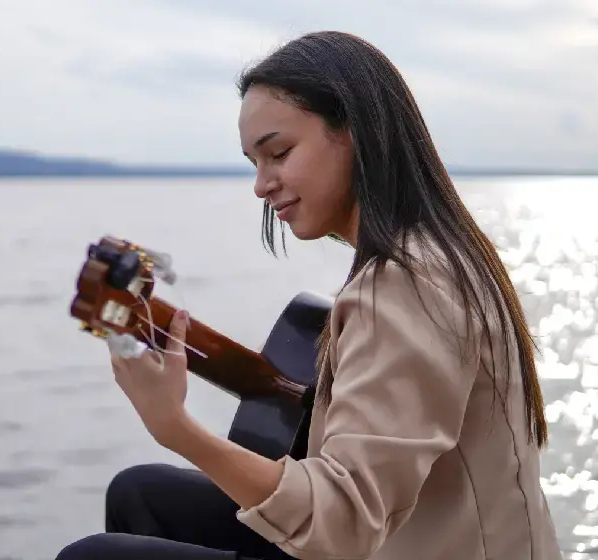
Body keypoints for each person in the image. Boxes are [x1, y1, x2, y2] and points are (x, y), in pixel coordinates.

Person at [56, 30, 563, 560]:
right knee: (141, 494)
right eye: (255, 162)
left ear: (357, 132)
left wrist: (176, 427)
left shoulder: (405, 287)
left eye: (279, 152)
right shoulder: (439, 253)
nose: (261, 184)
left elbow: (341, 524)